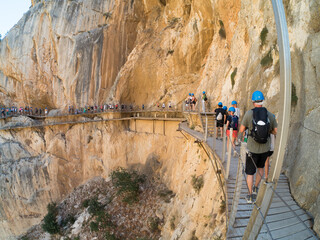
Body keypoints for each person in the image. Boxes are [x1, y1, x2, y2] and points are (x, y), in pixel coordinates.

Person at [239, 91, 277, 203]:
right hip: (265, 149)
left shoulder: (249, 114)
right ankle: (256, 187)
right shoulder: (269, 114)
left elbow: (241, 130)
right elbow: (275, 131)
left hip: (252, 149)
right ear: (263, 101)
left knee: (250, 173)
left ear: (253, 101)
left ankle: (250, 195)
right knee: (260, 168)